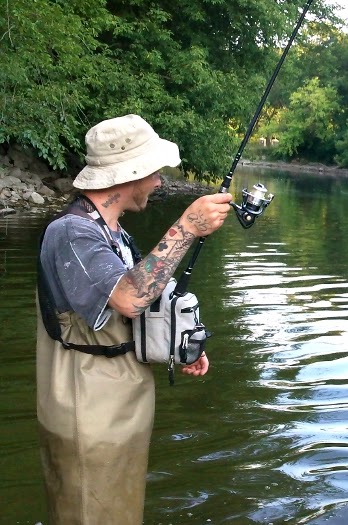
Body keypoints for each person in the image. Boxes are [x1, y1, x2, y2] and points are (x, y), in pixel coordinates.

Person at [35, 114, 233, 524]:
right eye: (154, 171)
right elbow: (128, 297)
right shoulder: (71, 233)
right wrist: (188, 226)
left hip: (119, 400)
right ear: (130, 174)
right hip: (87, 408)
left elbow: (140, 303)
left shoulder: (113, 232)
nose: (160, 181)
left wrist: (180, 345)